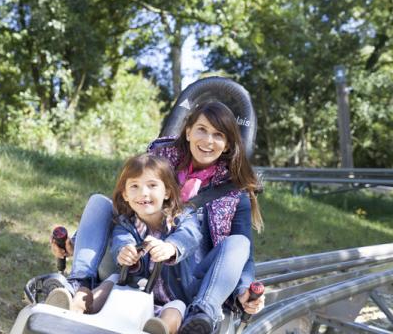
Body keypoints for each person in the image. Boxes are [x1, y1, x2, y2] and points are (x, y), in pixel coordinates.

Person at [50, 101, 265, 333]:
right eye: (202, 129)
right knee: (99, 202)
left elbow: (241, 252)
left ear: (226, 145)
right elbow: (124, 211)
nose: (208, 140)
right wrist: (76, 240)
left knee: (239, 242)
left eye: (218, 135)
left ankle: (200, 315)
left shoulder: (233, 192)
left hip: (186, 277)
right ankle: (79, 287)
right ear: (188, 131)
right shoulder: (158, 163)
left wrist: (245, 289)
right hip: (133, 265)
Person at [47, 153, 202, 334]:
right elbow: (121, 241)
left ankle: (160, 329)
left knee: (176, 310)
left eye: (152, 186)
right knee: (109, 284)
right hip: (131, 289)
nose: (143, 193)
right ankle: (76, 307)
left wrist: (171, 247)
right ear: (126, 195)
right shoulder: (126, 224)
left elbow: (191, 236)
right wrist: (125, 252)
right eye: (135, 187)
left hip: (170, 296)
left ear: (166, 191)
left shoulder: (183, 218)